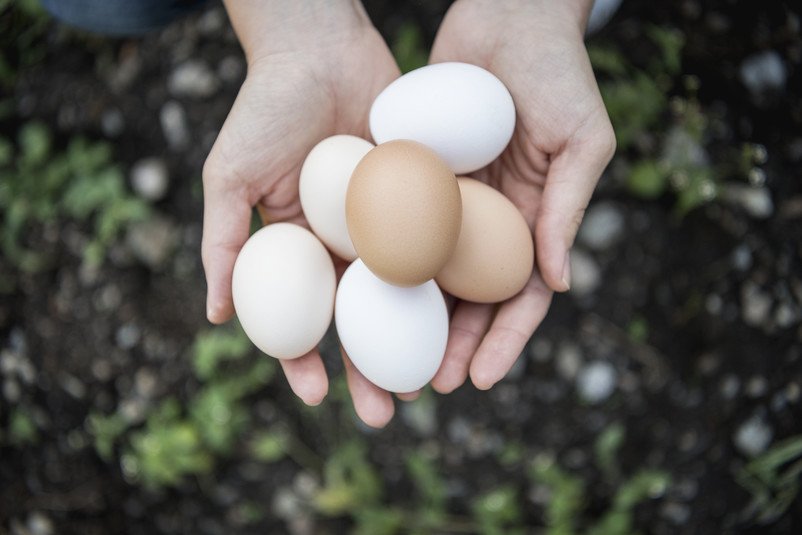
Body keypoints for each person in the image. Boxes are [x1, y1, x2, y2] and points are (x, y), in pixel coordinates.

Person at [43, 0, 616, 428]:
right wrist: (292, 19)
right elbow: (403, 221)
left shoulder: (402, 193)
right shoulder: (379, 187)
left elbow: (418, 223)